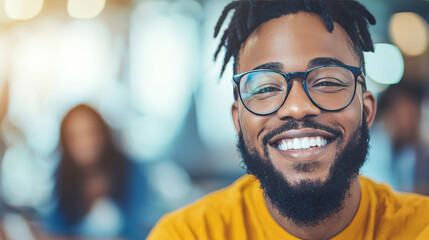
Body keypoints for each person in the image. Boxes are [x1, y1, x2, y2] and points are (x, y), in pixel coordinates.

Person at [148, 0, 429, 239]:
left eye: (327, 82)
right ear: (238, 119)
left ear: (367, 110)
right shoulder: (189, 233)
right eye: (266, 88)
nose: (297, 107)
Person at [41, 104, 150, 239]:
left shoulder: (132, 170)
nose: (84, 143)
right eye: (74, 137)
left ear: (103, 133)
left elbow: (142, 228)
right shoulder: (62, 176)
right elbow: (53, 228)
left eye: (90, 133)